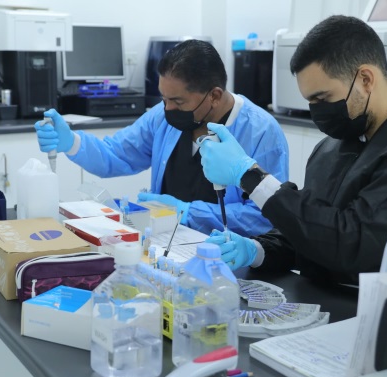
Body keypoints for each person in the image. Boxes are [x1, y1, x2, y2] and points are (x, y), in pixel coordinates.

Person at [199, 15, 387, 284]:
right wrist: (257, 250)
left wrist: (251, 176)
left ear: (365, 79)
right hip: (322, 303)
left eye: (323, 98)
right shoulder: (331, 148)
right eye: (310, 101)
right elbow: (313, 232)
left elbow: (355, 243)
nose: (317, 112)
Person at [34, 39, 288, 237]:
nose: (167, 109)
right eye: (163, 98)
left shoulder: (261, 132)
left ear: (214, 96)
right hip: (167, 246)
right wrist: (72, 142)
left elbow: (264, 216)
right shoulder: (162, 117)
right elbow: (116, 154)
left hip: (229, 260)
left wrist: (186, 212)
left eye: (177, 101)